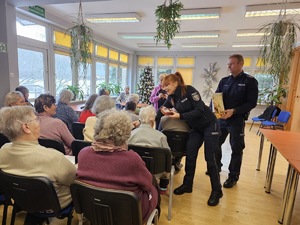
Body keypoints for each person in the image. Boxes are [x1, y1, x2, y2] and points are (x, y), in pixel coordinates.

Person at [76, 109, 159, 224]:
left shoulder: (83, 153)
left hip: (94, 210)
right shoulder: (131, 159)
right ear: (125, 133)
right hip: (128, 215)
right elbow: (147, 184)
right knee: (153, 187)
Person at [0, 106, 76, 224]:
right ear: (26, 127)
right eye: (36, 119)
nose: (39, 123)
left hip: (23, 202)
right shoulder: (53, 157)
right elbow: (74, 181)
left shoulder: (3, 151)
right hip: (54, 205)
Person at [156, 72, 222, 206]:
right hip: (196, 129)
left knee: (210, 158)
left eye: (167, 85)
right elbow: (162, 109)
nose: (165, 88)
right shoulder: (172, 97)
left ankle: (217, 190)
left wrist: (180, 115)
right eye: (163, 86)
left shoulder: (190, 91)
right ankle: (187, 184)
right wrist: (161, 112)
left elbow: (200, 111)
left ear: (175, 83)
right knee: (190, 154)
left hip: (210, 124)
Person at [215, 54, 258, 188]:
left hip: (236, 120)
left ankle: (233, 176)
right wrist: (217, 111)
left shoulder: (250, 81)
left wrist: (234, 111)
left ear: (240, 64)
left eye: (232, 63)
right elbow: (217, 98)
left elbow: (251, 103)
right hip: (222, 119)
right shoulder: (224, 81)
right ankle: (216, 167)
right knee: (215, 144)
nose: (229, 66)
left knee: (236, 148)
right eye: (228, 64)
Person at [128, 105, 170, 192]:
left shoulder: (131, 134)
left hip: (134, 169)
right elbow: (168, 155)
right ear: (152, 120)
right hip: (156, 171)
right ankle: (163, 187)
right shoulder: (161, 136)